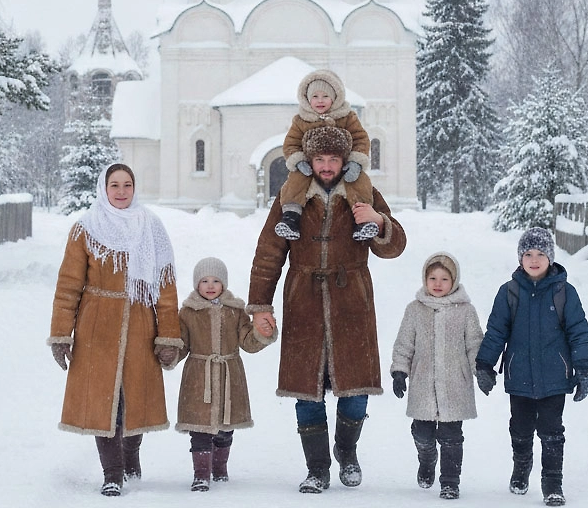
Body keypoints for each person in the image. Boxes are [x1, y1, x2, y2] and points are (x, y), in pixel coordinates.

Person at [247, 125, 407, 494]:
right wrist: (260, 305)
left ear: (344, 160)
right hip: (303, 298)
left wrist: (379, 222)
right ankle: (317, 468)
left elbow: (394, 245)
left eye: (333, 158)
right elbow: (269, 253)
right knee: (307, 389)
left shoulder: (363, 192)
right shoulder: (293, 195)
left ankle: (347, 452)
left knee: (355, 389)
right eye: (320, 158)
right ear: (310, 160)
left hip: (352, 298)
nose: (327, 165)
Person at [47, 163, 183, 497]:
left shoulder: (152, 227)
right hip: (97, 327)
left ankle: (130, 454)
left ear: (135, 188)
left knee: (133, 397)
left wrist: (168, 335)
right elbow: (68, 285)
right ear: (103, 189)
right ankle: (112, 472)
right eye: (114, 185)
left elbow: (165, 288)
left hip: (141, 325)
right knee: (105, 400)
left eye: (127, 185)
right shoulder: (85, 229)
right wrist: (61, 334)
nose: (121, 191)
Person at [474, 227, 588, 507]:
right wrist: (484, 365)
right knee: (520, 428)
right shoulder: (510, 292)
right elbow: (495, 332)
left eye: (540, 253)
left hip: (554, 377)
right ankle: (521, 465)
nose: (534, 259)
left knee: (552, 432)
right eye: (528, 254)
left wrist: (583, 370)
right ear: (520, 258)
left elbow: (579, 333)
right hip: (520, 378)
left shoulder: (565, 293)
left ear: (550, 257)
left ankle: (553, 484)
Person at [175, 257, 277, 492]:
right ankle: (201, 474)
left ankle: (219, 469)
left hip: (229, 376)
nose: (210, 285)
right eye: (204, 281)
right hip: (198, 377)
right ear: (196, 284)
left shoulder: (235, 310)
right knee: (199, 428)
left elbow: (248, 343)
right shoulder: (188, 312)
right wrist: (168, 351)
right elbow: (182, 345)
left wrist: (262, 332)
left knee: (224, 428)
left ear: (224, 284)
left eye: (216, 281)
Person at [390, 252, 484, 500]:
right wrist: (400, 371)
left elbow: (475, 345)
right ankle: (427, 457)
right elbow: (404, 344)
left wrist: (481, 371)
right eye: (432, 278)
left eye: (444, 278)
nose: (438, 283)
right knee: (422, 432)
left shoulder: (466, 311)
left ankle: (450, 482)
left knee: (452, 436)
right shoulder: (415, 309)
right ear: (425, 279)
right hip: (423, 383)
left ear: (454, 280)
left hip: (455, 385)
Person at [274, 69, 379, 242]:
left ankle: (362, 220)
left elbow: (361, 138)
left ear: (335, 97)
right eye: (315, 96)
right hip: (310, 168)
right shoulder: (301, 120)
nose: (320, 100)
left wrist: (355, 162)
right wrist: (299, 160)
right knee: (295, 181)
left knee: (358, 182)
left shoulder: (347, 117)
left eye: (325, 96)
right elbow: (291, 143)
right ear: (307, 99)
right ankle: (291, 216)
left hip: (343, 167)